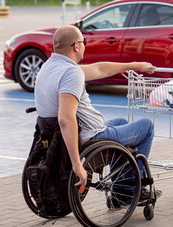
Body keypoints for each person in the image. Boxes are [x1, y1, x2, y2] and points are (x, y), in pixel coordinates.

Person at [35, 25, 159, 200]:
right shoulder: (71, 73)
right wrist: (77, 164)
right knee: (147, 126)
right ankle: (127, 191)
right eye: (84, 41)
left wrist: (135, 65)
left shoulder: (49, 67)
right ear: (76, 46)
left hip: (76, 132)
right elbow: (65, 119)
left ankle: (121, 185)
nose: (85, 45)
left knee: (121, 121)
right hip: (91, 137)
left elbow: (100, 69)